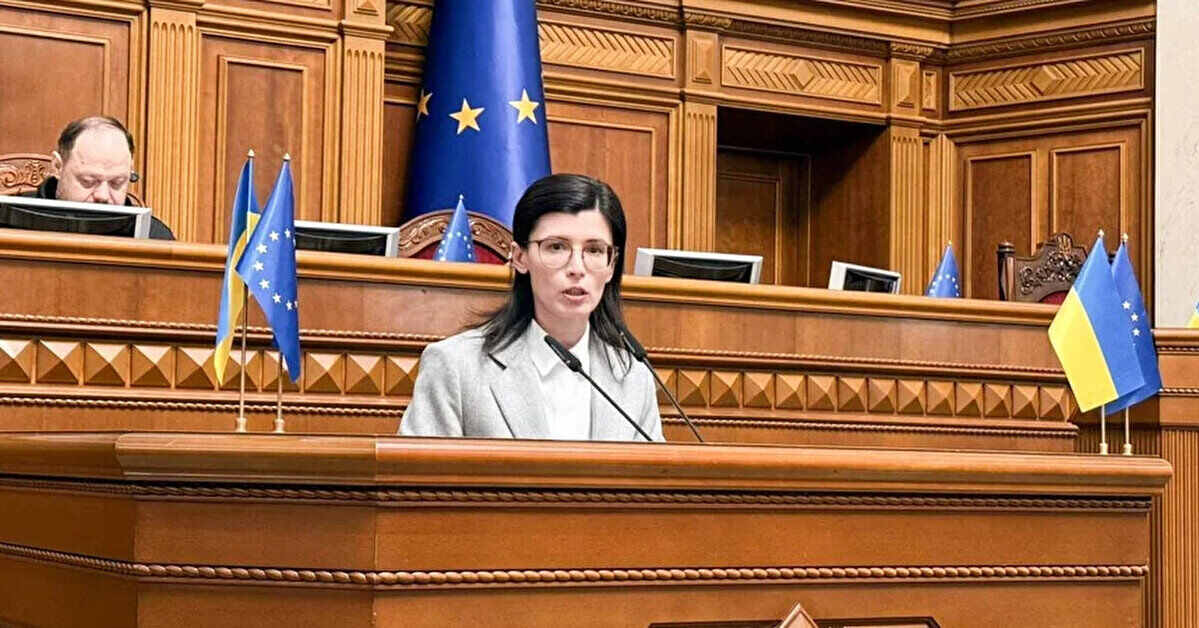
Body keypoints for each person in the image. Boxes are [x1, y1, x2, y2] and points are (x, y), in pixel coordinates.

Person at [400, 174, 664, 441]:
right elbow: (413, 468)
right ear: (520, 257)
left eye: (594, 250)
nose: (576, 268)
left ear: (611, 265)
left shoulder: (633, 377)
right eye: (556, 247)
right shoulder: (456, 365)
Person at [19, 116, 173, 239]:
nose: (103, 196)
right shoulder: (13, 218)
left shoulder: (154, 236)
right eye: (88, 181)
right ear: (58, 167)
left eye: (117, 183)